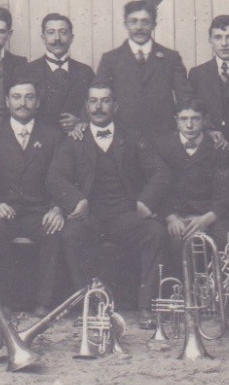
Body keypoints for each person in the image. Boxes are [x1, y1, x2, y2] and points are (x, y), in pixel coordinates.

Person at [47, 82, 169, 316]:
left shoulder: (132, 137)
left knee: (155, 232)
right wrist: (76, 201)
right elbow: (55, 177)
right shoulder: (74, 140)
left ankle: (146, 306)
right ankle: (89, 306)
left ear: (116, 106)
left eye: (105, 101)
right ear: (86, 106)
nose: (98, 107)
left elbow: (160, 172)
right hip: (90, 215)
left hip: (125, 215)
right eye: (93, 101)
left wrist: (145, 201)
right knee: (71, 234)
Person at [0, 78, 67, 313]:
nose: (23, 103)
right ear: (7, 101)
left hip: (38, 211)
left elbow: (63, 176)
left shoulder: (52, 135)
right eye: (17, 97)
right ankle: (3, 302)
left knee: (53, 231)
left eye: (29, 97)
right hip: (5, 210)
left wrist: (57, 208)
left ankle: (44, 302)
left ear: (38, 102)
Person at [156, 99, 229, 274]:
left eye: (195, 119)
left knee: (224, 239)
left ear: (205, 120)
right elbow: (157, 190)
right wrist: (170, 217)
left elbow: (225, 192)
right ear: (176, 120)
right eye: (184, 119)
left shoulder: (217, 148)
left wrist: (206, 219)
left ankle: (218, 296)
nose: (189, 125)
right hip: (177, 215)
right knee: (175, 242)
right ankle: (178, 296)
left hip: (208, 215)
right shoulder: (162, 147)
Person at [95, 0, 190, 143]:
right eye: (133, 22)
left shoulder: (170, 58)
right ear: (125, 24)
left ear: (154, 25)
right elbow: (97, 95)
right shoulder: (111, 59)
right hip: (123, 137)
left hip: (163, 137)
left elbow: (185, 97)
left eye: (145, 22)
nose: (139, 27)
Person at [17, 12, 95, 135]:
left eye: (63, 32)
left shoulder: (85, 72)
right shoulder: (27, 71)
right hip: (39, 143)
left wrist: (81, 121)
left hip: (75, 142)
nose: (57, 38)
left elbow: (96, 106)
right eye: (51, 32)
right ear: (43, 38)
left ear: (71, 37)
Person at [187, 15, 229, 146]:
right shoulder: (197, 74)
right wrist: (208, 130)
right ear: (210, 41)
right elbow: (192, 112)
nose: (224, 43)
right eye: (218, 37)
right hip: (209, 148)